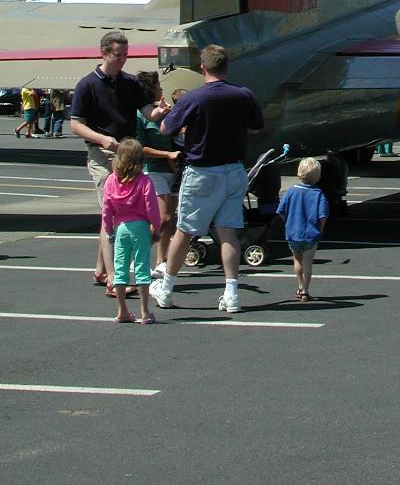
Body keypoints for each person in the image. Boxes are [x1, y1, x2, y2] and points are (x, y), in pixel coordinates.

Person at [150, 44, 264, 314]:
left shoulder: (194, 98)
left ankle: (166, 288)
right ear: (226, 67)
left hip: (202, 171)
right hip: (234, 170)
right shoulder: (243, 95)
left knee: (185, 231)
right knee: (228, 232)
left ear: (202, 68)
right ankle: (232, 293)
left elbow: (167, 128)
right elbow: (257, 124)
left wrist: (168, 113)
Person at [70, 31, 171, 296]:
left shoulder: (130, 83)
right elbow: (75, 124)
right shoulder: (87, 85)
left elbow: (146, 111)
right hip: (102, 155)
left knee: (119, 213)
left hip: (127, 154)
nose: (124, 60)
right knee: (111, 212)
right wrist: (101, 138)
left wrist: (159, 112)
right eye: (119, 55)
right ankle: (115, 277)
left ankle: (101, 270)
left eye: (126, 54)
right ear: (104, 53)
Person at [101, 138, 163, 324]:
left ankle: (122, 311)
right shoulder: (144, 181)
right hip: (141, 227)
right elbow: (151, 207)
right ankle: (145, 312)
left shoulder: (112, 180)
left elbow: (106, 208)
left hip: (121, 228)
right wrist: (156, 226)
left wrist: (109, 230)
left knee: (120, 270)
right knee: (142, 268)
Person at [135, 71, 182, 279]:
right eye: (158, 86)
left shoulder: (163, 112)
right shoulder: (139, 116)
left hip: (172, 169)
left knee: (170, 219)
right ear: (149, 89)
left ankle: (160, 261)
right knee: (162, 217)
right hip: (153, 169)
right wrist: (167, 154)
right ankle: (138, 256)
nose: (162, 89)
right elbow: (140, 148)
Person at [276, 157, 329, 302]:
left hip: (293, 233)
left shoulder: (291, 191)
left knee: (297, 260)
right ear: (318, 177)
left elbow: (280, 210)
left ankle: (300, 285)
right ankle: (306, 290)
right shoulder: (318, 193)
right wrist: (321, 229)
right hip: (311, 235)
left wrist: (288, 222)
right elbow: (323, 215)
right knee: (307, 262)